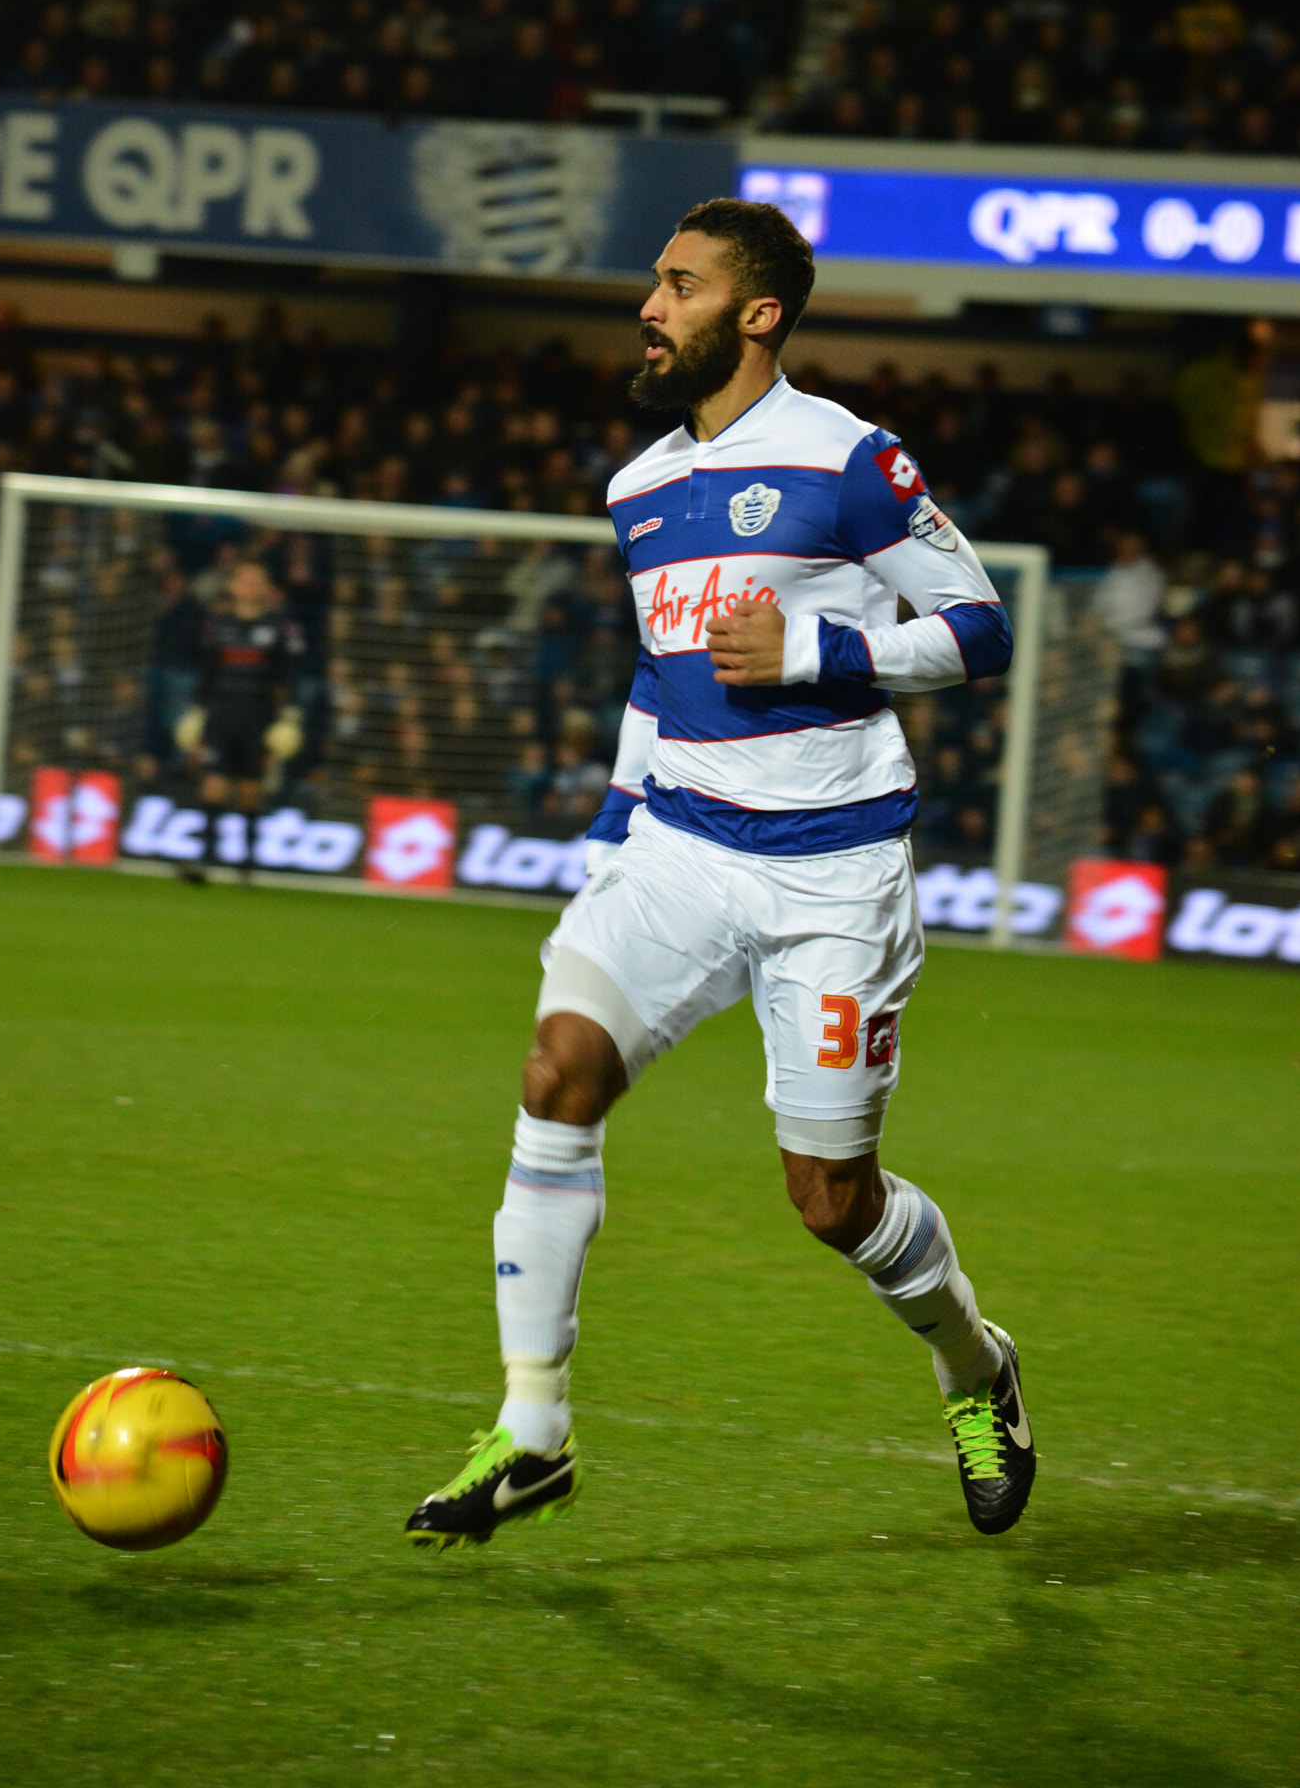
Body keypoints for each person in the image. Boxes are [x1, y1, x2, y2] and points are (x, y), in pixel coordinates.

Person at [406, 198, 1035, 1553]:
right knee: (555, 1072)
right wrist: (612, 829)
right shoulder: (635, 491)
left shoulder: (851, 460)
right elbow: (658, 672)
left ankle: (976, 1366)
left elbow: (982, 630)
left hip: (834, 875)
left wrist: (818, 657)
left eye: (679, 284)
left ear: (756, 314)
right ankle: (532, 1431)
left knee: (831, 1202)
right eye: (653, 279)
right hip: (680, 849)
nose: (648, 304)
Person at [175, 560, 304, 877]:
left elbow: (289, 676)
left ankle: (246, 863)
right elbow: (207, 672)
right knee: (213, 783)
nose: (249, 587)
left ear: (265, 589)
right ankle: (205, 858)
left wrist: (289, 715)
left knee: (249, 789)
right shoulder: (219, 625)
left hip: (258, 714)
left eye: (256, 581)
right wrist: (196, 709)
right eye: (244, 581)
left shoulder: (279, 628)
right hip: (221, 712)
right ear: (233, 587)